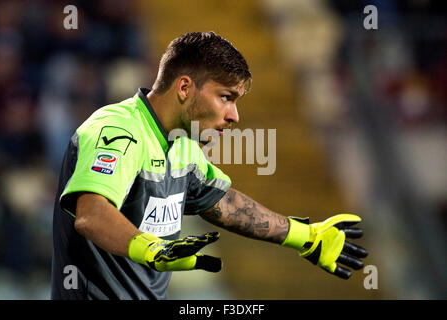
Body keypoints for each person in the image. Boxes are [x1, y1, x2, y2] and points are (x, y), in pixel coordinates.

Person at [51, 31, 368, 300]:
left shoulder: (183, 144)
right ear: (185, 87)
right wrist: (153, 251)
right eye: (226, 97)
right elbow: (91, 215)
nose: (234, 116)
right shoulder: (118, 129)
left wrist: (304, 236)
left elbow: (222, 203)